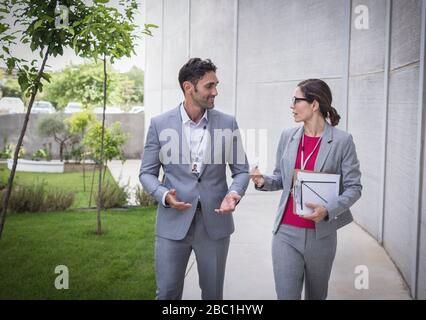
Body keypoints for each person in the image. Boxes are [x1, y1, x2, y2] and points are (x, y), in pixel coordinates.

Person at [139, 58, 249, 300]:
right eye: (209, 86)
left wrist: (234, 194)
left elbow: (241, 171)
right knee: (167, 293)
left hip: (215, 225)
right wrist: (164, 195)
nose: (215, 92)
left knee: (213, 295)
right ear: (189, 88)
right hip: (172, 223)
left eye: (215, 85)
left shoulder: (227, 123)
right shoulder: (159, 124)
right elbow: (147, 172)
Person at [251, 79, 362, 300]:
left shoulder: (342, 141)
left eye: (296, 100)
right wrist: (262, 181)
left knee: (316, 296)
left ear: (314, 104)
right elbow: (281, 179)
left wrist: (328, 210)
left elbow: (354, 187)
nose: (292, 106)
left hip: (321, 235)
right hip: (285, 233)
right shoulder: (287, 137)